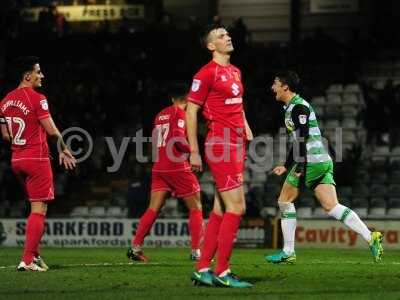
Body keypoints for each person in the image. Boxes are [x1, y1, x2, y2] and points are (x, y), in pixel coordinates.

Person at [265, 71, 383, 264]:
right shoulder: (292, 107)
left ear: (285, 86)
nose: (273, 87)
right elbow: (297, 141)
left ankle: (288, 251)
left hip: (311, 161)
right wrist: (286, 165)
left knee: (285, 201)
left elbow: (302, 138)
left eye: (275, 83)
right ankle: (371, 237)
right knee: (332, 207)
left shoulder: (298, 108)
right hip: (321, 160)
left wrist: (300, 165)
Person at [187, 25, 253, 288]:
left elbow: (237, 103)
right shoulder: (205, 74)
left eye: (228, 34)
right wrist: (193, 150)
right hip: (221, 143)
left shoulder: (235, 71)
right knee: (238, 207)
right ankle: (223, 272)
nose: (228, 37)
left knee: (220, 208)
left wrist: (245, 123)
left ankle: (203, 268)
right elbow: (191, 112)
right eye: (221, 36)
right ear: (211, 46)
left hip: (236, 143)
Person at [0, 56, 76, 272]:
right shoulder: (37, 98)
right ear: (27, 76)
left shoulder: (4, 101)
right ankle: (27, 259)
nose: (42, 76)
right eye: (38, 72)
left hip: (17, 160)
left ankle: (35, 254)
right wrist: (64, 148)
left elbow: (6, 136)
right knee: (39, 209)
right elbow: (52, 130)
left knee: (35, 208)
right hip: (37, 159)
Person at [127, 83, 203, 262]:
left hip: (159, 166)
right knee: (196, 208)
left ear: (172, 98)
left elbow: (156, 141)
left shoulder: (160, 114)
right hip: (176, 165)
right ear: (188, 98)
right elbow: (177, 136)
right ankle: (196, 251)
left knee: (153, 208)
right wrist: (192, 151)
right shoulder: (180, 113)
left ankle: (135, 247)